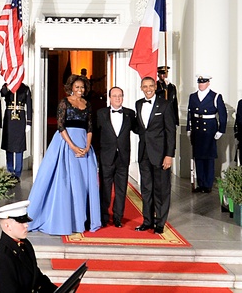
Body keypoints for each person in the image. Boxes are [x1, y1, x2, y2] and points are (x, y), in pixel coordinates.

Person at [27, 74, 101, 235]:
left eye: (82, 87)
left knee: (83, 183)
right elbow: (61, 127)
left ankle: (80, 220)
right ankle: (63, 219)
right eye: (77, 87)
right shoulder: (64, 102)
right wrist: (73, 147)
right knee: (65, 182)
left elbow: (89, 127)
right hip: (65, 145)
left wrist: (87, 146)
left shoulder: (87, 104)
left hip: (84, 145)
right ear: (71, 88)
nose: (80, 90)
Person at [134, 75, 176, 234]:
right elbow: (140, 128)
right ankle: (147, 221)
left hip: (160, 155)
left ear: (155, 87)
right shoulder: (138, 104)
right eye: (145, 86)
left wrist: (169, 155)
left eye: (151, 86)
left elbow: (170, 132)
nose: (148, 89)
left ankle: (160, 223)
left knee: (161, 190)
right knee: (146, 189)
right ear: (141, 88)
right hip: (144, 153)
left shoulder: (165, 105)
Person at [0, 200, 56, 293]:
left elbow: (37, 278)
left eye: (26, 221)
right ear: (8, 226)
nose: (26, 225)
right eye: (21, 222)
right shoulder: (1, 258)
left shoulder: (25, 244)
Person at [96, 85, 135, 228]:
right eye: (115, 96)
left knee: (121, 189)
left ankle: (118, 217)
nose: (118, 98)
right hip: (106, 156)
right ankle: (104, 217)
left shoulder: (130, 114)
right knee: (105, 189)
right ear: (110, 98)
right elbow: (95, 134)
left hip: (123, 158)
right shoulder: (100, 113)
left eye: (120, 96)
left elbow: (139, 130)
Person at [186, 74, 227, 193]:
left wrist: (221, 130)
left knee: (208, 158)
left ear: (208, 83)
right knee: (198, 157)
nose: (201, 85)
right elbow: (190, 113)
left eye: (203, 82)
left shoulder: (215, 96)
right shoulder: (193, 96)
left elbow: (223, 115)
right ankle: (201, 183)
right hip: (197, 130)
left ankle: (208, 184)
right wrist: (189, 128)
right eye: (199, 82)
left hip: (209, 130)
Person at [0, 81, 32, 180]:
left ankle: (18, 172)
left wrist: (29, 122)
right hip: (9, 118)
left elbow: (29, 106)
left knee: (19, 146)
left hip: (20, 118)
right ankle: (10, 170)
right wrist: (9, 87)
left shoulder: (24, 88)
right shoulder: (7, 86)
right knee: (8, 145)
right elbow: (2, 93)